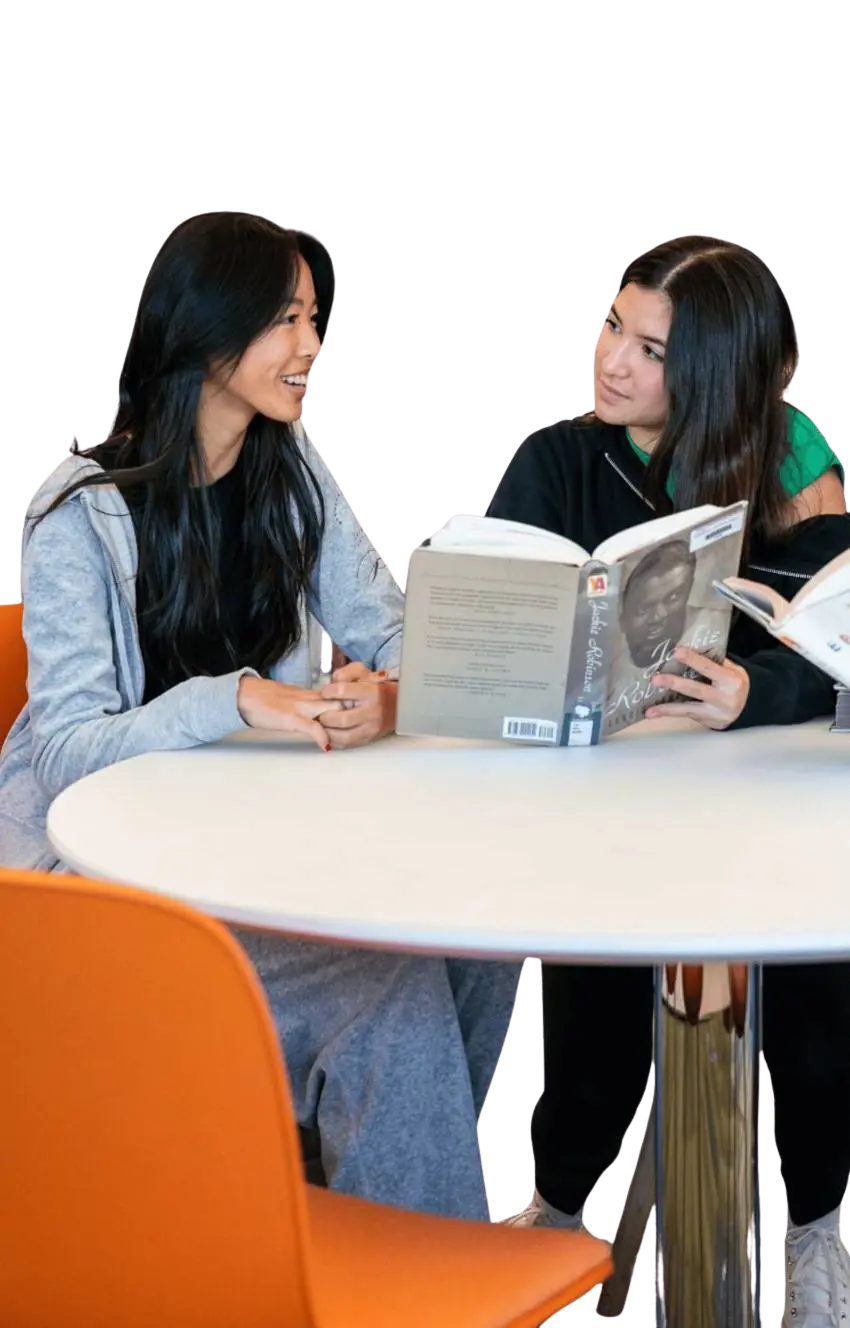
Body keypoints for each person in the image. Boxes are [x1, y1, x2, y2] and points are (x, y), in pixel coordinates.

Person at [0, 211, 521, 1220]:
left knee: (484, 944)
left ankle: (362, 1224)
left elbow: (386, 623)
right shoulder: (78, 506)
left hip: (260, 853)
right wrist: (232, 695)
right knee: (389, 1001)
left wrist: (392, 694)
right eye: (286, 320)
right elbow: (64, 749)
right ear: (208, 331)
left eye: (314, 319)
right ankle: (413, 1262)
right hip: (102, 898)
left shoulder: (287, 464)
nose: (312, 347)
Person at [488, 235, 849, 1323]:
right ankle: (559, 1203)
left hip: (762, 793)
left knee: (811, 968)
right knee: (592, 966)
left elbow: (827, 647)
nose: (613, 363)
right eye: (612, 326)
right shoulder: (554, 458)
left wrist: (756, 689)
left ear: (714, 375)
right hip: (603, 793)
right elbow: (489, 632)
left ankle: (816, 1229)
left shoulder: (789, 463)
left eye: (651, 350)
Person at [618, 539, 696, 668]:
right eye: (643, 608)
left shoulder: (714, 622)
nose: (658, 616)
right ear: (622, 620)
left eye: (673, 597)